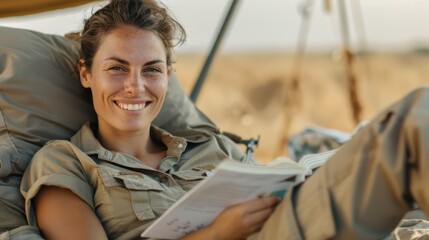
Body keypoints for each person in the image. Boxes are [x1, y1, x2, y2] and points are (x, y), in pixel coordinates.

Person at [18, 0, 429, 239]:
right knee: (411, 122)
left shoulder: (210, 146)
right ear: (86, 74)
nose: (135, 87)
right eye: (117, 68)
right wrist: (215, 235)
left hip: (294, 228)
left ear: (168, 77)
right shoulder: (65, 162)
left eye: (152, 70)